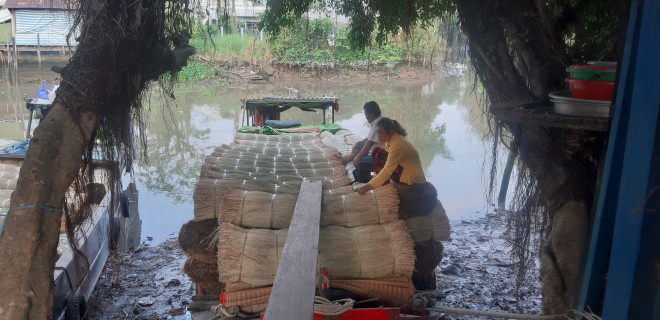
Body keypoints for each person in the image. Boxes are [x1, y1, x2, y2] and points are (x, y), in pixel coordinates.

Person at [358, 118, 426, 195]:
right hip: (404, 170)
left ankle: (384, 186)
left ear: (390, 132)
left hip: (411, 179)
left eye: (381, 133)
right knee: (376, 151)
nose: (378, 136)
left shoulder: (398, 144)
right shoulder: (392, 139)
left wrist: (369, 185)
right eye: (377, 133)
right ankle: (381, 182)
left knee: (380, 155)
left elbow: (388, 169)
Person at [339, 101, 385, 168]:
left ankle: (347, 159)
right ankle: (347, 158)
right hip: (376, 151)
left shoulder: (379, 125)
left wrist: (358, 158)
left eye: (366, 115)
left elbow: (369, 143)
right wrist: (358, 143)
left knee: (361, 164)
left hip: (381, 155)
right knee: (359, 147)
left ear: (372, 114)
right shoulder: (379, 120)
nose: (366, 118)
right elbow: (369, 138)